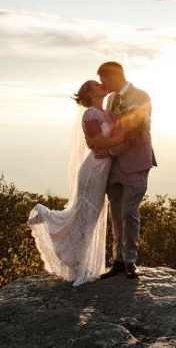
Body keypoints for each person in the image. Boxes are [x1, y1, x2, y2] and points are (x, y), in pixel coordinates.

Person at [27, 80, 123, 286]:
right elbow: (96, 145)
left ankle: (76, 258)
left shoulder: (105, 112)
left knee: (89, 217)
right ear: (89, 93)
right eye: (97, 85)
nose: (102, 85)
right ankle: (76, 262)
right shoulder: (90, 114)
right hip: (93, 170)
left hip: (101, 169)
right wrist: (121, 143)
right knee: (84, 216)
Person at [88, 62, 157, 280]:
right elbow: (109, 128)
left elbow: (136, 133)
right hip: (114, 167)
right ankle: (118, 260)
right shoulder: (110, 100)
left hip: (136, 162)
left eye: (103, 79)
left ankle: (130, 261)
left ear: (114, 76)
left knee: (129, 211)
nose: (102, 84)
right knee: (116, 214)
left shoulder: (142, 97)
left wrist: (109, 150)